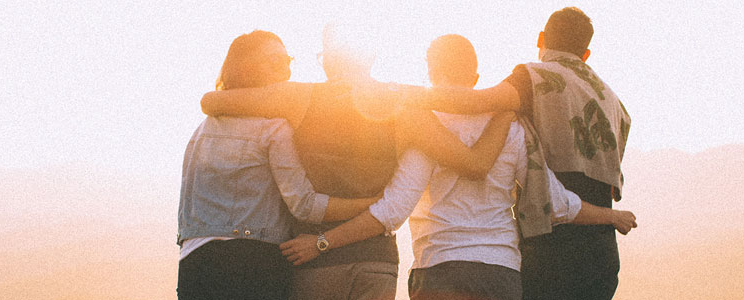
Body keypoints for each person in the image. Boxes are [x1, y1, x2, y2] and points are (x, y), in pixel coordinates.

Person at [279, 34, 637, 300]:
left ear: (431, 71)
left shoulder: (426, 127)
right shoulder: (511, 127)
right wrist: (612, 217)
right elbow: (555, 203)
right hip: (500, 273)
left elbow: (393, 210)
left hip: (440, 269)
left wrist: (323, 242)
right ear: (476, 77)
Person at [200, 25, 514, 300]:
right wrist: (507, 110)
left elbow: (212, 102)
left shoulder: (296, 97)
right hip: (377, 264)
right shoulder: (405, 107)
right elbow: (474, 164)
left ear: (328, 58)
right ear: (370, 56)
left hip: (315, 263)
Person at [409, 7, 634, 300]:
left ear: (541, 38)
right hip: (601, 253)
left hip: (549, 250)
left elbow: (478, 103)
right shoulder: (614, 103)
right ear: (586, 53)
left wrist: (404, 98)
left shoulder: (535, 78)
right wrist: (612, 217)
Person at [176, 30, 381, 300]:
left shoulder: (201, 130)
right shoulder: (274, 127)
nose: (285, 72)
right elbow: (304, 205)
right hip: (254, 264)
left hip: (194, 262)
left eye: (288, 61)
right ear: (248, 68)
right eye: (275, 63)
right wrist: (372, 204)